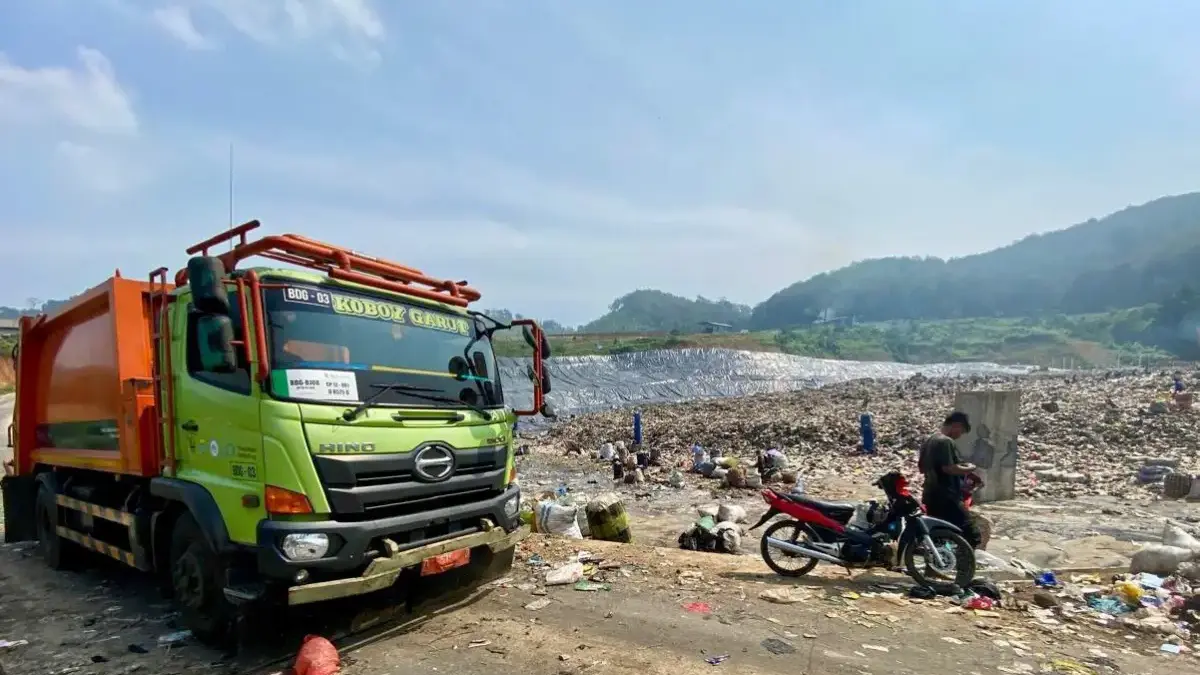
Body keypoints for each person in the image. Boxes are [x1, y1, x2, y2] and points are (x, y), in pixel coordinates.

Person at [918, 411, 982, 548]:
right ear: (956, 426)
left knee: (939, 535)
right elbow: (949, 468)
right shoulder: (945, 441)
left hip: (931, 496)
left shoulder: (929, 440)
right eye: (962, 431)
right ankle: (964, 565)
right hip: (948, 497)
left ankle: (940, 565)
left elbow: (922, 468)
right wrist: (971, 468)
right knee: (972, 533)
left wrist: (966, 474)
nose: (960, 436)